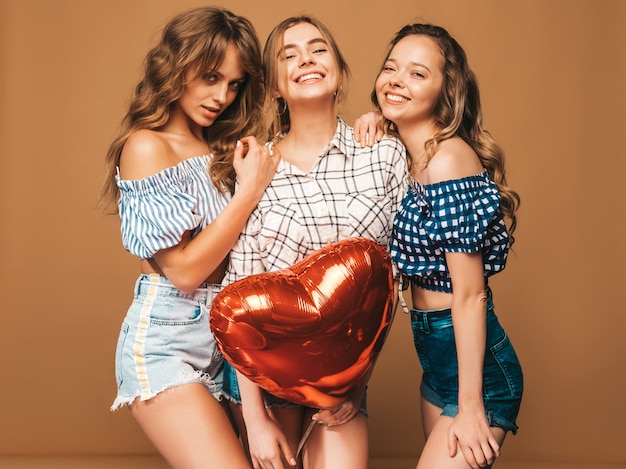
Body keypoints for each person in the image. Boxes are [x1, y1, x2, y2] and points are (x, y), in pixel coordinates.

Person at [221, 16, 408, 469]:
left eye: (318, 48)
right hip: (261, 379)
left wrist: (358, 382)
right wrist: (255, 418)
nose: (306, 59)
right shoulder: (254, 169)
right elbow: (239, 291)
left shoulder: (384, 154)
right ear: (274, 87)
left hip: (342, 378)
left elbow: (390, 281)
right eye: (289, 54)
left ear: (339, 69)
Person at [98, 7, 279, 468]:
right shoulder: (146, 146)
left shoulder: (222, 147)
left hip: (230, 342)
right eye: (210, 77)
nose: (222, 95)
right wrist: (248, 192)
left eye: (234, 83)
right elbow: (183, 271)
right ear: (177, 67)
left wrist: (376, 122)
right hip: (167, 340)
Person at [366, 23, 523, 469]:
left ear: (445, 92)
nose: (396, 80)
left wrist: (471, 404)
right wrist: (377, 118)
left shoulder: (448, 160)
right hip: (438, 362)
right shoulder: (408, 154)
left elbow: (471, 294)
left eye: (417, 74)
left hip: (478, 375)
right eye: (390, 68)